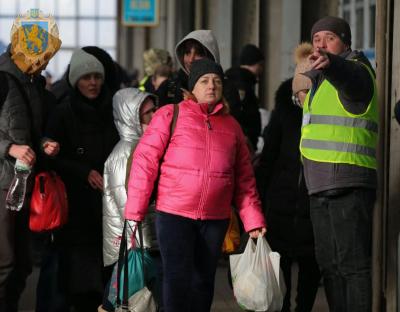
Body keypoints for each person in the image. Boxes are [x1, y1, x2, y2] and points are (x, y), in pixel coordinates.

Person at [125, 58, 266, 312]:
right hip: (174, 215)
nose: (211, 86)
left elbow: (244, 179)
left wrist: (253, 220)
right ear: (192, 88)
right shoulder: (170, 115)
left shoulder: (232, 126)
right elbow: (144, 163)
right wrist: (134, 211)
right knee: (177, 279)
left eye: (217, 81)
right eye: (204, 81)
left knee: (203, 282)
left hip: (215, 218)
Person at [300, 16, 378, 312]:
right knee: (330, 266)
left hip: (348, 183)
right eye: (316, 38)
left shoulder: (355, 71)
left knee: (353, 266)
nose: (321, 44)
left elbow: (349, 78)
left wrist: (332, 64)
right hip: (319, 186)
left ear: (345, 42)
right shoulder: (319, 81)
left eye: (329, 37)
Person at [45, 48, 119, 311]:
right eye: (86, 77)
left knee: (106, 273)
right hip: (75, 209)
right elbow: (52, 157)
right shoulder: (63, 112)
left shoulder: (113, 109)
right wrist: (82, 172)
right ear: (76, 80)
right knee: (79, 280)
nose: (93, 83)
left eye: (97, 77)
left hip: (108, 207)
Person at [256, 43, 321, 312]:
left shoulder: (326, 108)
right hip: (282, 200)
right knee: (280, 263)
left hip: (312, 198)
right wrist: (258, 201)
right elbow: (269, 154)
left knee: (310, 266)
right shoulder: (284, 108)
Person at [0, 24, 61, 311]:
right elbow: (14, 140)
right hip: (2, 184)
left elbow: (30, 133)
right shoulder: (2, 78)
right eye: (42, 56)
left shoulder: (32, 83)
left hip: (22, 183)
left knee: (23, 263)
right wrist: (9, 148)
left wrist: (44, 143)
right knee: (5, 262)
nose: (45, 63)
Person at [101, 88, 157, 311]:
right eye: (147, 114)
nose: (155, 117)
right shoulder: (126, 152)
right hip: (136, 244)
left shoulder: (140, 146)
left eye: (155, 110)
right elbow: (130, 206)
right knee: (127, 299)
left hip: (136, 243)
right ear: (130, 117)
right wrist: (147, 244)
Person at [171, 30, 242, 120]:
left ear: (211, 56)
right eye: (187, 52)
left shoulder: (227, 89)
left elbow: (233, 128)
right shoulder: (174, 84)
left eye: (198, 53)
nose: (191, 59)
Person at [226, 44, 264, 151]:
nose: (261, 69)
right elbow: (235, 114)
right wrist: (245, 138)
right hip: (243, 144)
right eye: (260, 65)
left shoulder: (241, 80)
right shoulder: (241, 83)